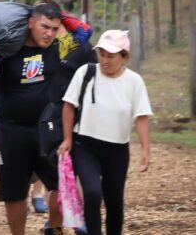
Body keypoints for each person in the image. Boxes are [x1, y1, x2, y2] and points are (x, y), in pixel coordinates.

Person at [0, 0, 65, 235]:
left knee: (62, 185)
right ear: (30, 23)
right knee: (14, 193)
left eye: (54, 28)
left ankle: (55, 229)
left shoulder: (59, 47)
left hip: (48, 130)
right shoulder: (7, 48)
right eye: (44, 26)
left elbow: (83, 35)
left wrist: (62, 19)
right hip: (11, 130)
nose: (49, 34)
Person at [58, 30, 152, 235]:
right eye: (102, 54)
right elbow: (68, 105)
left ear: (124, 56)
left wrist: (145, 150)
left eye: (111, 56)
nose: (105, 60)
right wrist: (67, 138)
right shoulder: (86, 72)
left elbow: (142, 116)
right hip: (85, 145)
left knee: (114, 201)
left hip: (117, 149)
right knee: (92, 193)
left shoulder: (134, 81)